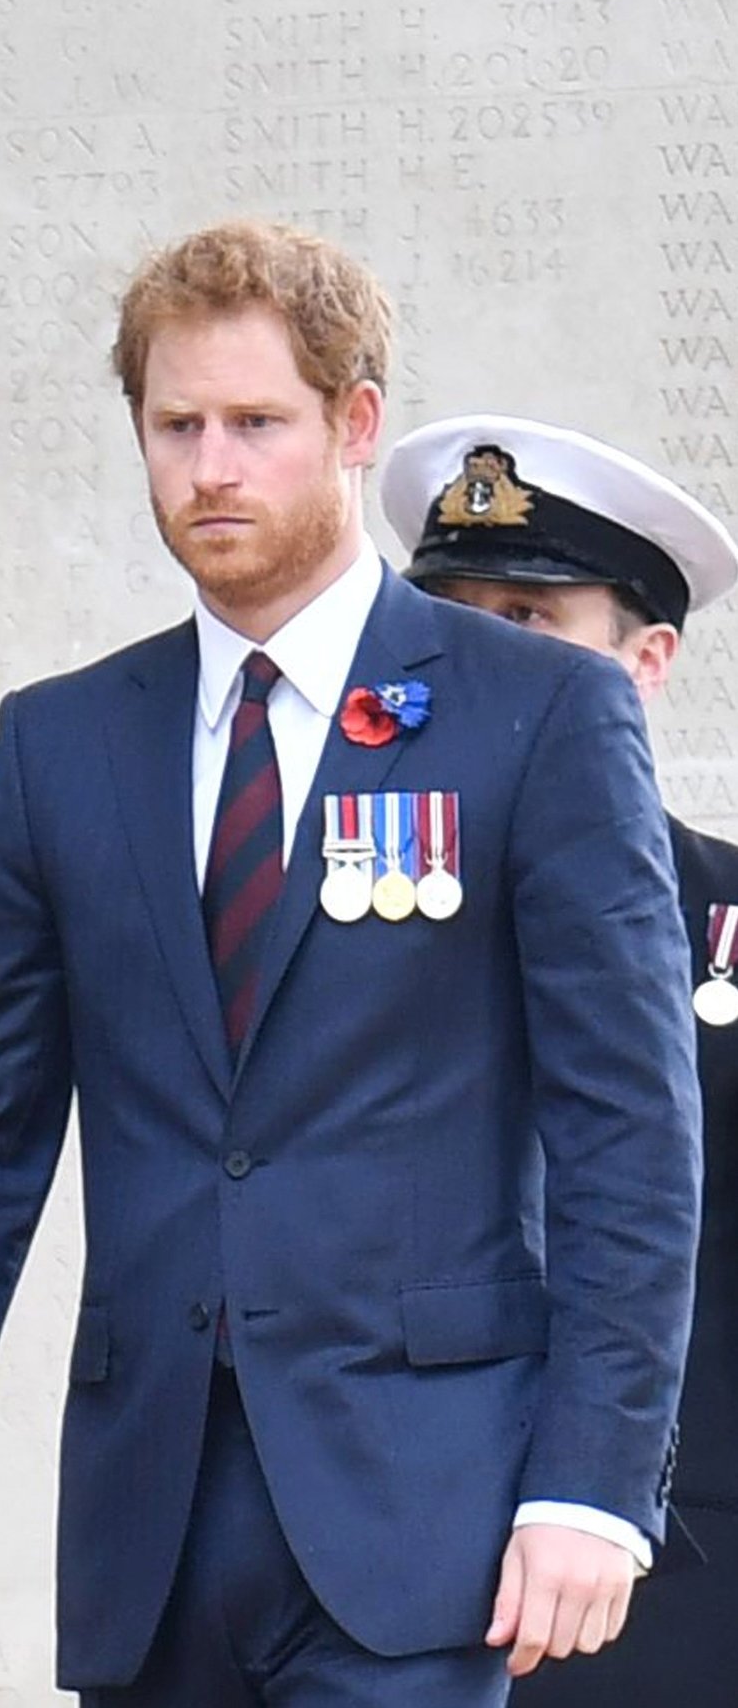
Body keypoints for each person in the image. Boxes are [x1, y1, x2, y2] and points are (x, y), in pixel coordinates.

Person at [0, 219, 702, 1706]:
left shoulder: (538, 716)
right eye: (176, 426)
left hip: (431, 1518)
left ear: (355, 426)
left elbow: (630, 1131)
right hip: (150, 1524)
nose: (212, 467)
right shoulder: (63, 747)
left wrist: (594, 1485)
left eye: (257, 423)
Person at [377, 412, 738, 1706]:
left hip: (683, 1587)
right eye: (451, 623)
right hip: (376, 1565)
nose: (477, 664)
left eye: (528, 624)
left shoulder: (728, 921)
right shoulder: (329, 919)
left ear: (644, 662)